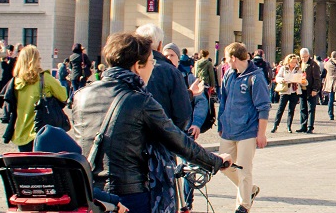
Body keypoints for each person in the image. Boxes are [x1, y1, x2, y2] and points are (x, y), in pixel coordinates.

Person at [68, 33, 231, 213]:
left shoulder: (81, 95)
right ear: (138, 66)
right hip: (130, 195)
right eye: (152, 62)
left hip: (93, 194)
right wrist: (216, 161)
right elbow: (178, 141)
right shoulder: (140, 101)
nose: (153, 68)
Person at [215, 42, 271, 213]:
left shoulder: (256, 77)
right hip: (229, 129)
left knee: (244, 168)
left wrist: (261, 133)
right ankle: (250, 190)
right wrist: (221, 123)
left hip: (247, 130)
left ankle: (243, 205)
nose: (225, 62)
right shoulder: (229, 75)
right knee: (224, 166)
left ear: (233, 58)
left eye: (226, 59)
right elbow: (223, 102)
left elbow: (263, 107)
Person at [0, 45, 68, 152]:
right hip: (42, 131)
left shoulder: (15, 81)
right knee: (42, 166)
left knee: (26, 166)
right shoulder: (45, 78)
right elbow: (63, 96)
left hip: (21, 131)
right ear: (36, 60)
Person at [134, 25, 192, 134]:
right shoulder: (170, 71)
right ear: (160, 45)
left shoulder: (128, 67)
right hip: (162, 138)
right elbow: (183, 114)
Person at [271, 54, 303, 133]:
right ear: (288, 62)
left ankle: (289, 126)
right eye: (292, 62)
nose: (293, 64)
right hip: (285, 90)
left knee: (291, 110)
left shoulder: (298, 69)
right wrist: (282, 80)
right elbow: (277, 77)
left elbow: (301, 78)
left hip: (294, 90)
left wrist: (301, 80)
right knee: (280, 109)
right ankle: (275, 125)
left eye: (295, 62)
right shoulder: (284, 68)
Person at [299, 48, 323, 133]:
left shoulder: (313, 64)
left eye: (305, 57)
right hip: (302, 90)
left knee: (311, 109)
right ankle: (303, 126)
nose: (303, 59)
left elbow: (317, 78)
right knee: (302, 108)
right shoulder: (299, 64)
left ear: (308, 55)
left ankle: (310, 127)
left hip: (310, 89)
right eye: (302, 57)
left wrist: (315, 89)